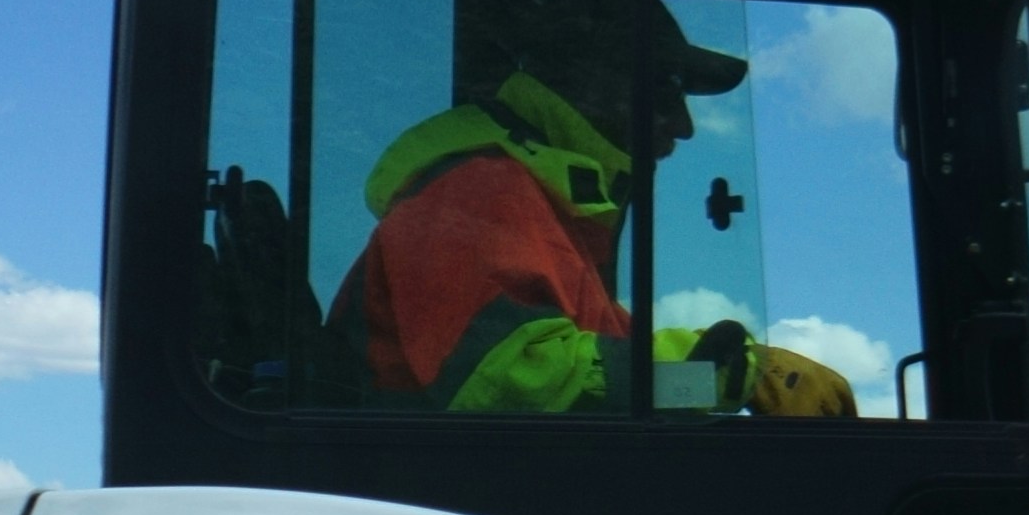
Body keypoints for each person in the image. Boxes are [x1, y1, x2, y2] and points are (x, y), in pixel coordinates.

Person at [324, 37, 854, 419]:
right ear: (598, 84)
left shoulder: (546, 214)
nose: (686, 126)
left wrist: (744, 370)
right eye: (666, 88)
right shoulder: (478, 192)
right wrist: (732, 374)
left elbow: (616, 365)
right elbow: (516, 383)